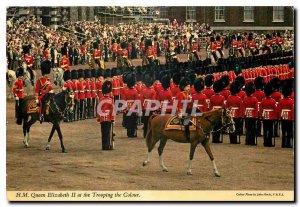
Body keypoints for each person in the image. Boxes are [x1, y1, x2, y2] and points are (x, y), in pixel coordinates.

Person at [97, 80, 115, 150]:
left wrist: (98, 117)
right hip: (108, 118)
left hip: (102, 118)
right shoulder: (111, 100)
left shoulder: (101, 99)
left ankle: (104, 145)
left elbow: (98, 109)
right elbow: (112, 110)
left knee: (103, 132)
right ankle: (107, 146)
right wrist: (113, 118)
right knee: (108, 132)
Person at [277, 81, 294, 148]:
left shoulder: (281, 101)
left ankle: (283, 143)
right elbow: (292, 110)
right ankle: (288, 143)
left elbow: (279, 110)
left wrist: (279, 117)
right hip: (289, 117)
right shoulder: (291, 101)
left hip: (283, 116)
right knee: (289, 131)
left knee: (284, 131)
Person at [123, 73, 140, 138]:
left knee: (128, 121)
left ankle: (129, 133)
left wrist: (124, 108)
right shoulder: (135, 91)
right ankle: (133, 133)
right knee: (134, 121)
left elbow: (124, 100)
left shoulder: (125, 91)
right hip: (134, 108)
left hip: (127, 107)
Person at [260, 82, 277, 147]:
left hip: (265, 116)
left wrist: (261, 116)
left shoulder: (263, 100)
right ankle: (269, 142)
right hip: (271, 116)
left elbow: (261, 109)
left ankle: (265, 142)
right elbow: (275, 110)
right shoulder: (273, 101)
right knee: (270, 130)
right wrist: (275, 117)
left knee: (265, 130)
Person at [176, 78, 192, 142]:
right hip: (181, 112)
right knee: (187, 120)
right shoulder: (180, 94)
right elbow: (179, 105)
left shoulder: (187, 94)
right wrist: (181, 113)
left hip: (187, 111)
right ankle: (187, 135)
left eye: (189, 86)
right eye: (187, 86)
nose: (189, 88)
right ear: (183, 87)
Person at [141, 73, 156, 138]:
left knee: (145, 122)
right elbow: (153, 101)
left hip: (144, 108)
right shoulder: (153, 91)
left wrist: (142, 107)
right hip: (150, 109)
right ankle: (150, 134)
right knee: (150, 122)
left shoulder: (143, 90)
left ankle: (145, 134)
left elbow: (141, 100)